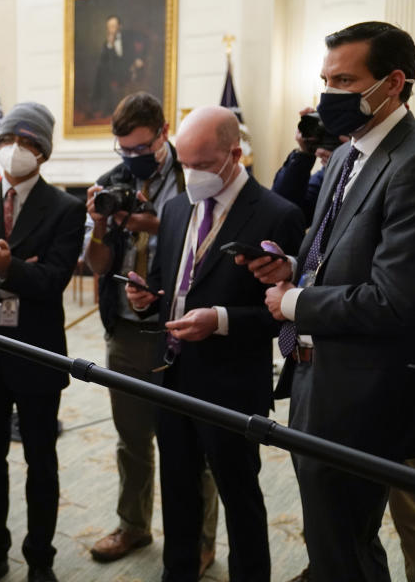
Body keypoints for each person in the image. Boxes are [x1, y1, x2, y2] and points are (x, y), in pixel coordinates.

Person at [243, 21, 415, 582]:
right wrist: (293, 268)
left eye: (345, 80)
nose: (330, 95)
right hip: (312, 378)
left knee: (348, 543)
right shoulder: (346, 155)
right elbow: (336, 253)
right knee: (326, 535)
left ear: (393, 83)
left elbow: (394, 301)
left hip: (363, 391)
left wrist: (295, 301)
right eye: (326, 80)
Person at [126, 106, 304, 582]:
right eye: (184, 164)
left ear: (234, 154)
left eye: (202, 165)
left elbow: (281, 312)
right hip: (173, 373)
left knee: (239, 495)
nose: (192, 174)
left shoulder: (277, 214)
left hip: (231, 380)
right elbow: (167, 285)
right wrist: (146, 299)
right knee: (178, 489)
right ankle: (178, 573)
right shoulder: (177, 206)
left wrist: (220, 320)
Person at [84, 92, 218, 572]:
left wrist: (153, 224)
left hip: (181, 330)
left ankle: (202, 540)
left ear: (164, 135)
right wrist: (102, 225)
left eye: (142, 150)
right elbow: (96, 263)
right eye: (125, 151)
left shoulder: (193, 178)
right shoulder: (110, 184)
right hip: (124, 329)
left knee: (190, 443)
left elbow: (206, 239)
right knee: (132, 439)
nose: (133, 160)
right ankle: (133, 525)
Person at [0, 102, 85, 582]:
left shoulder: (66, 209)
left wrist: (9, 267)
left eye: (28, 143)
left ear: (43, 153)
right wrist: (5, 275)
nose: (16, 151)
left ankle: (39, 560)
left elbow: (53, 281)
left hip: (37, 351)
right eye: (9, 140)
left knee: (40, 464)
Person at [91, 16, 146, 120]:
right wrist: (110, 46)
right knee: (101, 71)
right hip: (113, 72)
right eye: (109, 27)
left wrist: (138, 59)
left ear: (119, 27)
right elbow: (104, 61)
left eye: (113, 26)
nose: (111, 29)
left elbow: (134, 54)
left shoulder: (128, 38)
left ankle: (103, 106)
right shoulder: (107, 43)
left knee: (104, 74)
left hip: (127, 69)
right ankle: (102, 107)